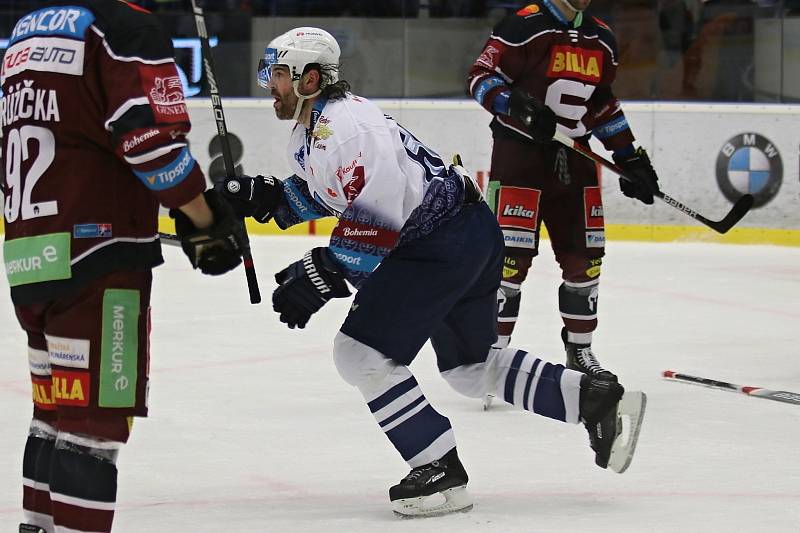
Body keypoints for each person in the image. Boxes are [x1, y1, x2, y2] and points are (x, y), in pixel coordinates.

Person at [220, 26, 646, 518]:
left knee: (360, 354)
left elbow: (380, 211)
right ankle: (592, 401)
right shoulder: (315, 127)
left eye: (276, 74)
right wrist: (265, 196)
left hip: (438, 244)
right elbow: (334, 194)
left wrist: (327, 271)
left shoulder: (346, 126)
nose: (267, 84)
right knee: (470, 368)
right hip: (465, 234)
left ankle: (438, 468)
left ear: (309, 78)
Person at [2, 2, 245, 532]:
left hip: (30, 254)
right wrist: (204, 215)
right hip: (99, 259)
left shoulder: (25, 31)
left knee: (55, 412)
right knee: (94, 424)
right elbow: (149, 142)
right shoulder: (125, 27)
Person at [466, 0, 660, 405]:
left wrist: (629, 156)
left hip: (576, 160)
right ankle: (493, 357)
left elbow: (602, 104)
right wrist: (514, 104)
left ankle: (580, 350)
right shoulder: (523, 26)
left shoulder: (602, 38)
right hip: (519, 157)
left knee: (585, 258)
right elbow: (481, 78)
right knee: (509, 261)